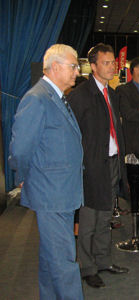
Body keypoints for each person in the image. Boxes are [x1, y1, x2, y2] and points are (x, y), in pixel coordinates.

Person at [9, 44, 84, 299]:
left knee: (51, 259)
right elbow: (20, 149)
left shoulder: (56, 97)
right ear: (55, 67)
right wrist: (22, 177)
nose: (77, 71)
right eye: (73, 66)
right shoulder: (37, 98)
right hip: (52, 194)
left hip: (60, 192)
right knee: (64, 263)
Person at [67, 43, 130, 288]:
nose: (112, 66)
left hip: (111, 162)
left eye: (113, 62)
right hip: (91, 166)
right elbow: (72, 135)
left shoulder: (111, 93)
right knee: (89, 219)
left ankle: (104, 261)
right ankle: (87, 266)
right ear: (93, 66)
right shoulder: (80, 96)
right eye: (106, 62)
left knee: (106, 216)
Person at [116, 57, 139, 215]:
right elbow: (128, 114)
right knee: (134, 185)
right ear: (135, 70)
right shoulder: (123, 90)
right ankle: (135, 219)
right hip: (133, 145)